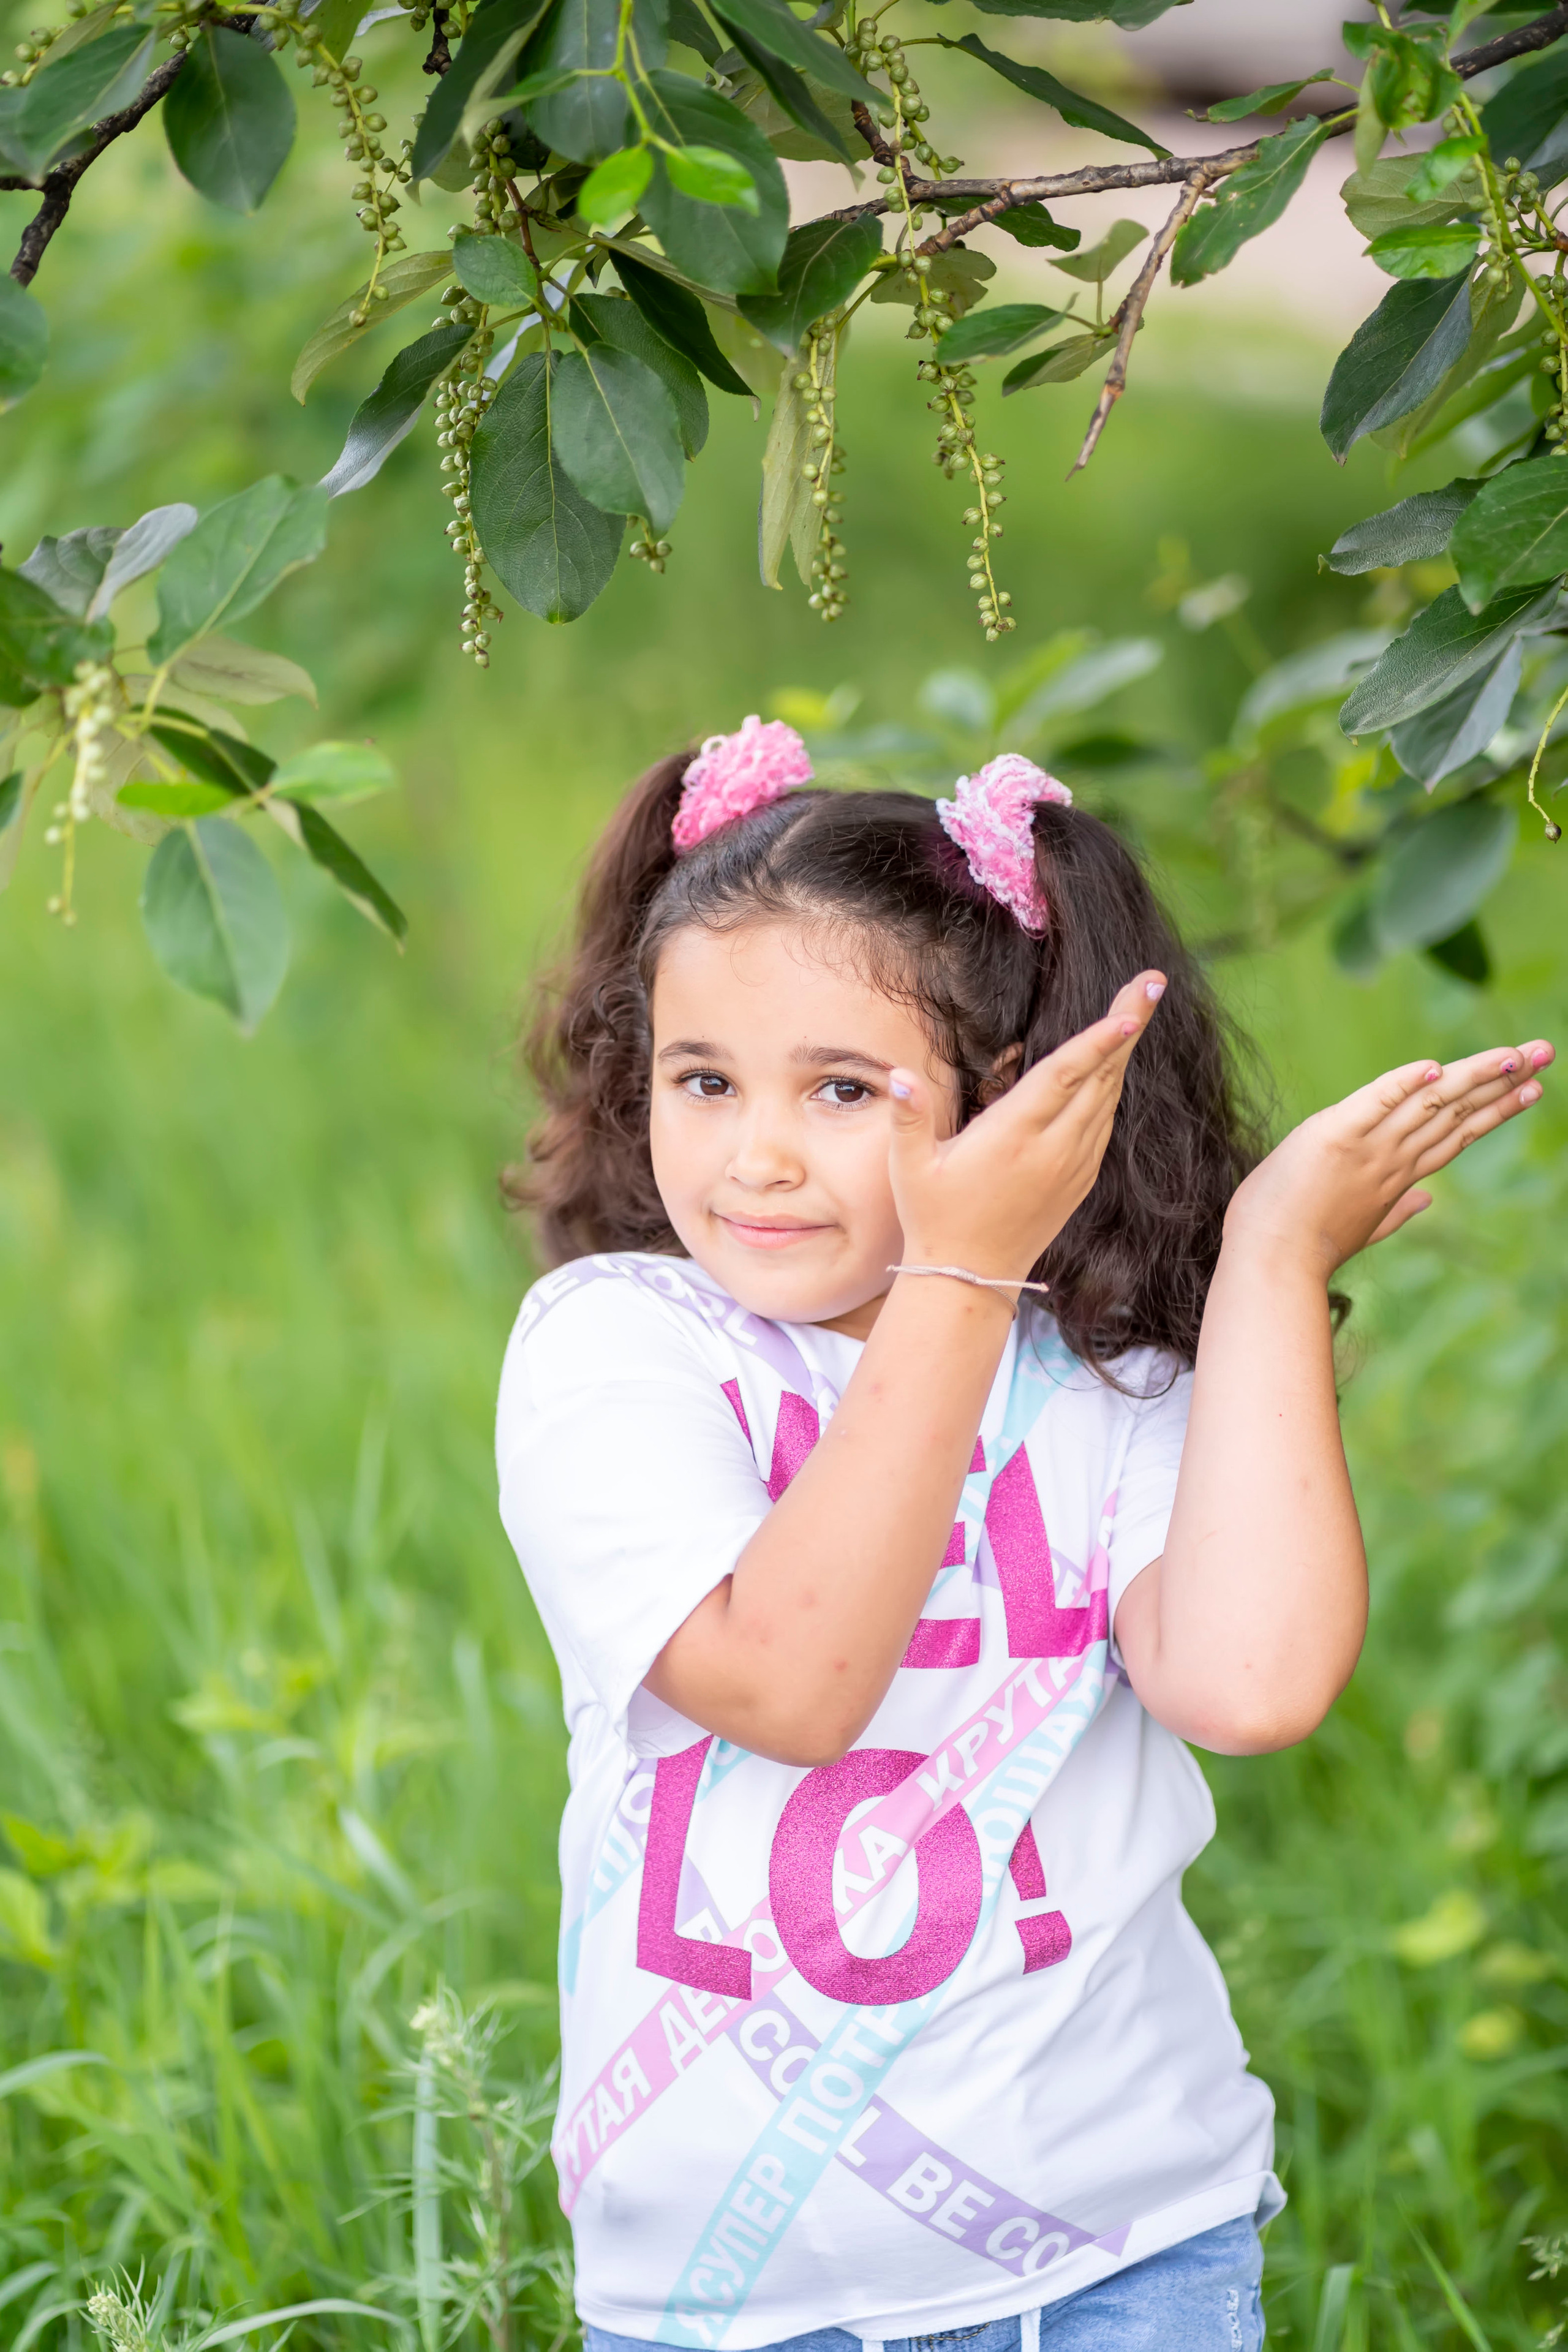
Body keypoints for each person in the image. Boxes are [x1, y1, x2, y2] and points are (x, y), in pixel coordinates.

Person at [495, 717, 1551, 2352]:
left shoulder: (1098, 1379)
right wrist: (959, 1276)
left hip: (1125, 2257)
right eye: (703, 1079)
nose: (755, 1154)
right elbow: (787, 1683)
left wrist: (1267, 1263)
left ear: (1021, 1104)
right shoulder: (620, 1350)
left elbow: (1251, 1683)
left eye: (842, 1088)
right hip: (728, 2296)